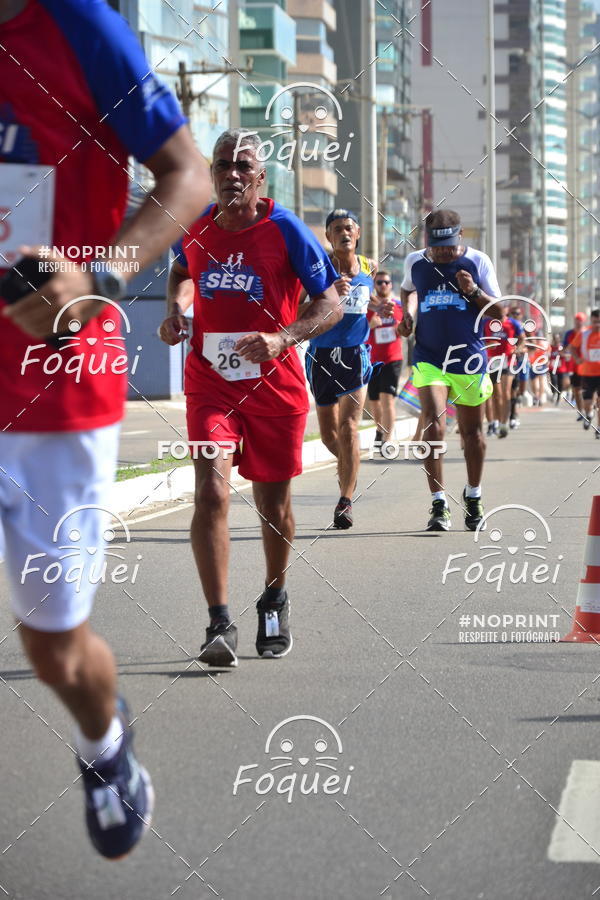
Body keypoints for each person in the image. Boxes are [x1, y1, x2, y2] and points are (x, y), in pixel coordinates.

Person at [0, 0, 211, 859]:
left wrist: (97, 276)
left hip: (55, 392)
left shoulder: (78, 24)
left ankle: (105, 748)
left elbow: (187, 174)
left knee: (54, 649)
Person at [160, 130, 339, 667]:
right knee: (211, 493)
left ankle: (274, 595)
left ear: (261, 177)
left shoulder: (286, 230)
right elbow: (179, 269)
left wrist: (282, 338)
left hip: (275, 385)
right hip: (210, 381)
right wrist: (176, 309)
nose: (232, 174)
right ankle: (218, 623)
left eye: (243, 166)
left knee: (272, 506)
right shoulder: (195, 226)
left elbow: (328, 302)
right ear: (212, 175)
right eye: (222, 166)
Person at [399, 209, 503, 532]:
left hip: (468, 360)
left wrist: (473, 291)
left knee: (473, 435)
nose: (443, 253)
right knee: (434, 427)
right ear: (427, 241)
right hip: (429, 357)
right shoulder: (415, 262)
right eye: (436, 247)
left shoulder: (478, 262)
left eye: (449, 246)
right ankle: (438, 503)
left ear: (460, 237)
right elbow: (408, 289)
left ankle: (473, 495)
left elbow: (499, 311)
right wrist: (408, 315)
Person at [305, 209, 389, 529]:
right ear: (328, 235)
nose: (344, 233)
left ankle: (345, 500)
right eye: (337, 228)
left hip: (356, 355)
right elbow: (296, 308)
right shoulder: (317, 267)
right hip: (321, 355)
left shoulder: (369, 266)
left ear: (358, 234)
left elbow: (374, 298)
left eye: (349, 228)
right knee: (329, 435)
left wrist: (379, 306)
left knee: (349, 427)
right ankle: (349, 466)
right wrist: (328, 296)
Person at [367, 270, 404, 449]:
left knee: (387, 398)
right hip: (373, 360)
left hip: (392, 358)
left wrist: (400, 328)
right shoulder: (368, 308)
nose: (383, 285)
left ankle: (388, 439)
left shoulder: (397, 306)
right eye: (379, 282)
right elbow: (357, 329)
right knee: (374, 401)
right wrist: (369, 324)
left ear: (391, 285)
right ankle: (380, 431)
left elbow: (407, 329)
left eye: (386, 282)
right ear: (374, 285)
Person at [483, 304, 524, 438]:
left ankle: (504, 424)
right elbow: (480, 339)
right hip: (493, 360)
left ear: (506, 310)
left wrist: (517, 348)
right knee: (496, 394)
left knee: (506, 393)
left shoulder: (513, 324)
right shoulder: (486, 322)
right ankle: (496, 421)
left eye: (504, 308)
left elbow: (522, 338)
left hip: (508, 360)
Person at [569, 308, 600, 436]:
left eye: (599, 322)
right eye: (595, 322)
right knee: (588, 402)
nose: (597, 325)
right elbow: (572, 347)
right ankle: (589, 413)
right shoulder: (584, 333)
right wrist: (576, 358)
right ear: (590, 321)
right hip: (587, 373)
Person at [564, 312, 587, 421]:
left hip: (588, 367)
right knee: (576, 390)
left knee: (589, 390)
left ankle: (589, 410)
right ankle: (581, 412)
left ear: (584, 321)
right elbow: (564, 349)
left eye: (580, 320)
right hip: (574, 366)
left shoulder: (588, 332)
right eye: (577, 320)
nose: (579, 322)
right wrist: (569, 348)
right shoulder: (569, 334)